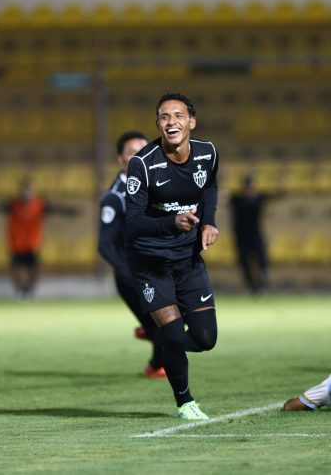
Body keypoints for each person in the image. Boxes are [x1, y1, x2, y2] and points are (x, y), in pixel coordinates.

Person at [125, 93, 220, 420]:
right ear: (159, 124)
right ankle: (185, 402)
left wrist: (209, 222)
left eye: (177, 115)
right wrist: (171, 222)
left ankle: (168, 343)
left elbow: (209, 187)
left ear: (191, 121)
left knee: (205, 339)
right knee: (171, 331)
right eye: (164, 117)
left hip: (188, 260)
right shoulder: (143, 164)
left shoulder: (208, 153)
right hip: (151, 264)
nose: (171, 122)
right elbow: (133, 223)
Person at [98, 131, 166, 379]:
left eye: (144, 151)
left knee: (175, 320)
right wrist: (131, 275)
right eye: (132, 152)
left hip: (159, 268)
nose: (140, 156)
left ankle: (149, 334)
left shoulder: (158, 186)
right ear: (120, 160)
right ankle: (156, 365)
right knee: (166, 325)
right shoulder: (115, 198)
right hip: (134, 274)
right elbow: (104, 246)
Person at [0, 178, 76, 299]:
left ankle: (30, 289)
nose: (27, 194)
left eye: (29, 191)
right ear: (21, 192)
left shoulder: (40, 204)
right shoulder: (12, 204)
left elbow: (56, 208)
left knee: (34, 268)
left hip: (32, 242)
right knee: (15, 268)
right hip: (16, 242)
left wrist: (70, 211)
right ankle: (19, 289)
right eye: (25, 191)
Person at [229, 174, 272, 294]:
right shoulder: (237, 199)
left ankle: (262, 284)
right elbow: (223, 198)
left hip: (255, 234)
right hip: (241, 236)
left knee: (262, 260)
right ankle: (253, 287)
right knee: (244, 262)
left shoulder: (259, 198)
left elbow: (277, 195)